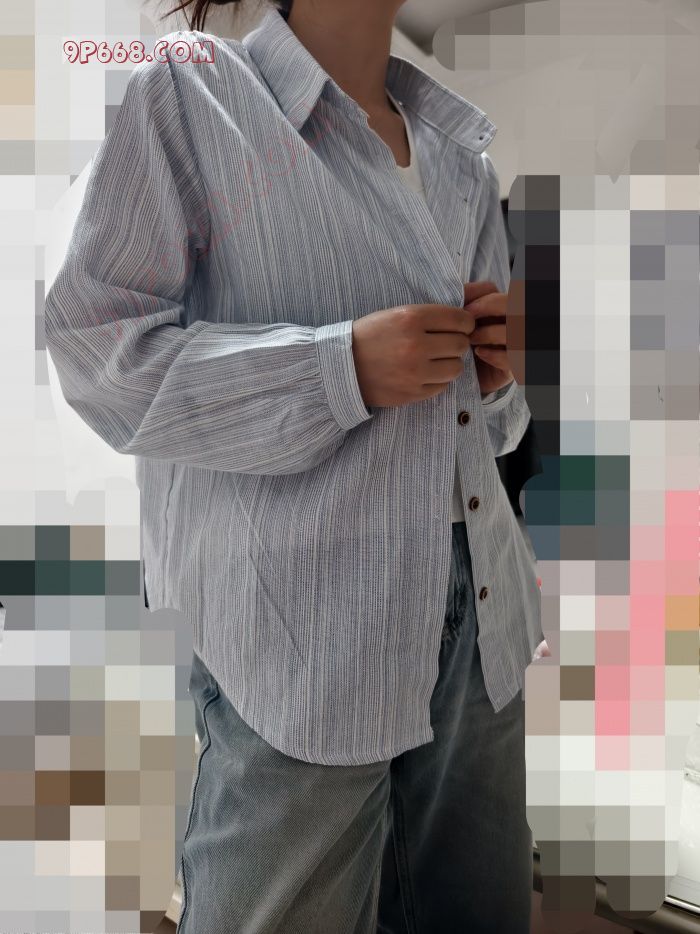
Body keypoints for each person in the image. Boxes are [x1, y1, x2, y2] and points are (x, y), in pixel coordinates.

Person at [44, 0, 544, 929]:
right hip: (301, 637)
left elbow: (495, 433)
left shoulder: (459, 158)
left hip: (484, 623)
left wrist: (499, 377)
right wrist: (336, 368)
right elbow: (97, 356)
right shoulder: (189, 97)